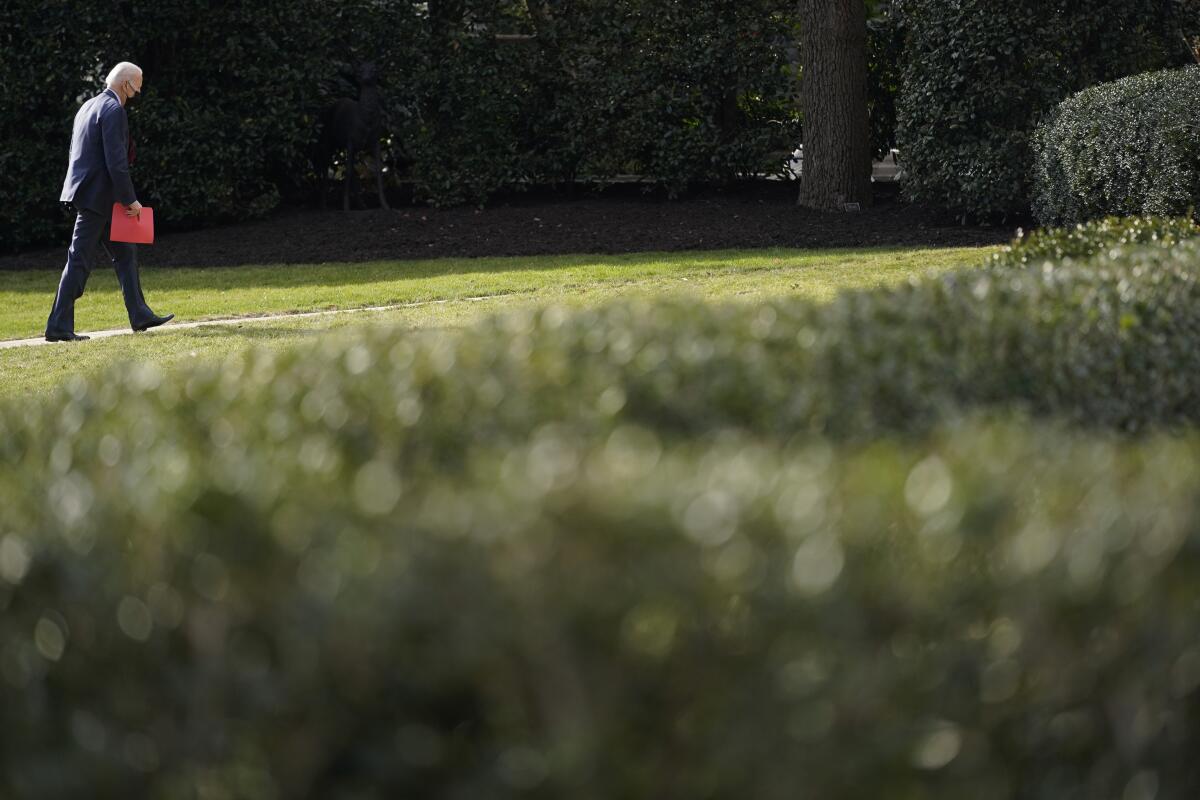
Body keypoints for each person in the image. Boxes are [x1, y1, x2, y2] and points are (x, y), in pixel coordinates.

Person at [45, 62, 172, 342]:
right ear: (126, 84)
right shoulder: (114, 110)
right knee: (78, 259)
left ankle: (140, 314)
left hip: (92, 194)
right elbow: (115, 162)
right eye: (135, 90)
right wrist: (130, 200)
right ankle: (57, 326)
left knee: (126, 253)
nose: (135, 95)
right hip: (99, 198)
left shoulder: (88, 106)